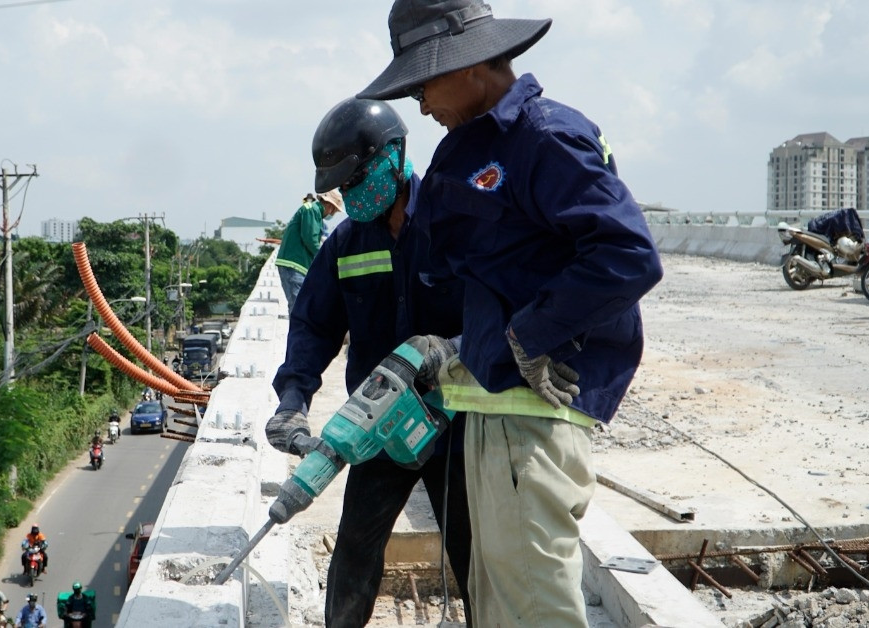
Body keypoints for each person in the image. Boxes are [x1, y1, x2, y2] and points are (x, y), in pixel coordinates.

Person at [357, 1, 664, 625]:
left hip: (531, 427)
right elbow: (489, 275)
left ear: (470, 66)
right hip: (488, 415)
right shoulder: (461, 156)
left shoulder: (543, 138)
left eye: (424, 83)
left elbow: (628, 255)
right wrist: (457, 344)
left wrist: (531, 332)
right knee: (498, 607)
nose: (420, 105)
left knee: (535, 608)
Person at [266, 97, 471, 627]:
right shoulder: (346, 242)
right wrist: (293, 401)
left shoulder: (459, 224)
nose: (352, 196)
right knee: (355, 551)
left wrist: (455, 347)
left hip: (459, 426)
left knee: (477, 557)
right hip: (380, 428)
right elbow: (314, 325)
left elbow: (504, 313)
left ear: (395, 156)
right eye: (344, 187)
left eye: (359, 180)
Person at [274, 188, 344, 312]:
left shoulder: (314, 213)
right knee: (298, 306)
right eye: (333, 211)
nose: (332, 214)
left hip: (298, 265)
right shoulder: (311, 210)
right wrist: (326, 260)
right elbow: (310, 239)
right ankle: (297, 332)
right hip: (294, 264)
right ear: (329, 205)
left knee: (301, 305)